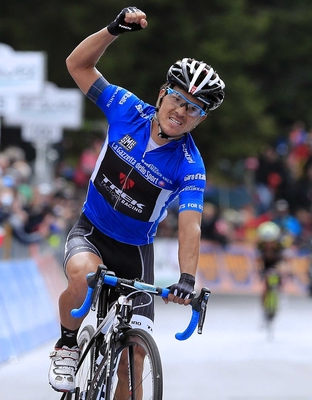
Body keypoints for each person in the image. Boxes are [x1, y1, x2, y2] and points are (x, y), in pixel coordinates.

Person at [49, 6, 225, 396]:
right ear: (163, 93)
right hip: (92, 230)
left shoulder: (189, 164)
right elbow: (77, 65)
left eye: (194, 109)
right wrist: (114, 29)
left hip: (136, 251)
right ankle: (66, 344)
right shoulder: (126, 108)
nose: (181, 111)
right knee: (83, 274)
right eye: (178, 99)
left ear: (201, 119)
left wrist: (187, 279)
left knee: (134, 363)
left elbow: (189, 223)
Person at [256, 221, 284, 317]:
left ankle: (279, 295)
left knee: (281, 276)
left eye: (271, 241)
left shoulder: (280, 246)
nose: (269, 244)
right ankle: (264, 308)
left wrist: (282, 269)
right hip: (266, 266)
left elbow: (285, 260)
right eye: (266, 241)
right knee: (265, 288)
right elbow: (258, 261)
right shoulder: (260, 246)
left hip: (277, 264)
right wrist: (261, 270)